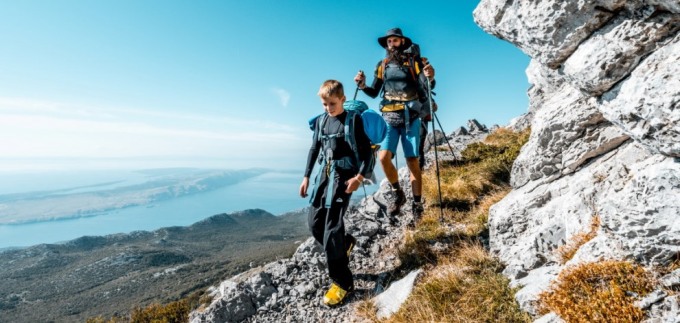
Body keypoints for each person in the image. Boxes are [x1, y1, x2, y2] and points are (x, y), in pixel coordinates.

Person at [299, 80, 373, 306]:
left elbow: (367, 153)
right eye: (324, 104)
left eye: (332, 103)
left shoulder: (353, 121)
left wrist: (359, 178)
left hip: (345, 177)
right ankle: (344, 245)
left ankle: (343, 282)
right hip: (325, 174)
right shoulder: (322, 121)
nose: (328, 108)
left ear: (342, 99)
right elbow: (315, 149)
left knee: (332, 228)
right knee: (314, 224)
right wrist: (306, 176)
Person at [354, 27, 435, 219]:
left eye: (395, 41)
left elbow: (426, 85)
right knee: (383, 157)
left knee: (412, 161)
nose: (392, 44)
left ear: (402, 43)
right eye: (389, 41)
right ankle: (398, 193)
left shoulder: (414, 62)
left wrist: (430, 76)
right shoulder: (383, 65)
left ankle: (417, 204)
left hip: (411, 117)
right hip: (389, 116)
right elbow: (374, 92)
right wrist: (363, 85)